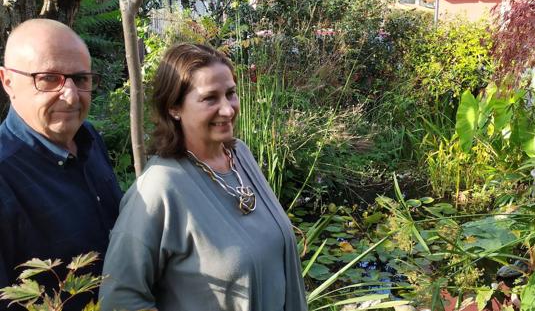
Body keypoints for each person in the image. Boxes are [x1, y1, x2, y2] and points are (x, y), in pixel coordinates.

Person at [99, 43, 307, 311]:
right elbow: (120, 299)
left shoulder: (240, 155)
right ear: (174, 107)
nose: (227, 109)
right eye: (210, 98)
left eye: (230, 94)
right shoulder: (159, 188)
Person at [0, 19, 123, 310]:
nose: (70, 96)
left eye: (81, 79)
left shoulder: (89, 139)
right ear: (7, 82)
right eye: (48, 78)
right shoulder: (5, 176)